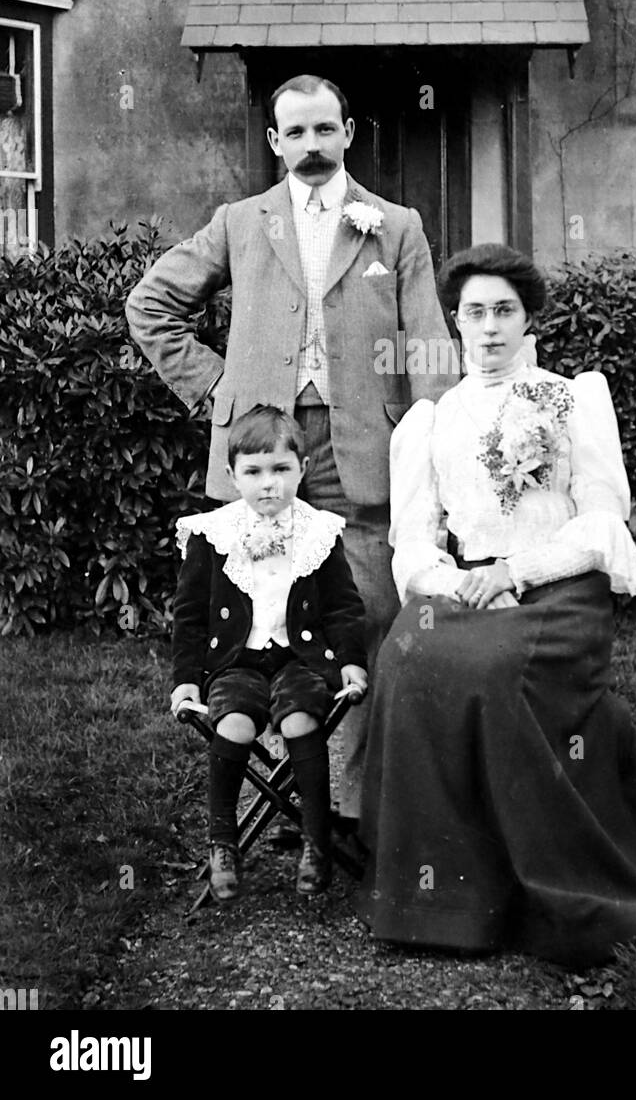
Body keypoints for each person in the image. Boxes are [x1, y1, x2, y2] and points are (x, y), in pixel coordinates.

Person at [356, 243, 636, 965]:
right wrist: (459, 582)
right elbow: (413, 545)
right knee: (403, 655)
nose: (489, 329)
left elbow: (603, 518)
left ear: (528, 319)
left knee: (494, 670)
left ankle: (540, 882)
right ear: (454, 321)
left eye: (504, 312)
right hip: (470, 588)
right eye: (475, 313)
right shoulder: (431, 419)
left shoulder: (570, 397)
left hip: (560, 587)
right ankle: (438, 899)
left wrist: (522, 566)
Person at [126, 75, 457, 823]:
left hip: (359, 450)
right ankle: (275, 801)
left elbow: (431, 346)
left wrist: (432, 442)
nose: (311, 146)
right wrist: (221, 392)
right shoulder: (241, 222)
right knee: (250, 616)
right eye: (295, 133)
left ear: (348, 133)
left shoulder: (395, 226)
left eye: (324, 130)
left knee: (364, 612)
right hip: (262, 451)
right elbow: (150, 305)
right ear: (275, 142)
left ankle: (350, 801)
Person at [170, 404, 368, 901]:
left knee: (302, 720)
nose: (269, 484)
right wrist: (187, 678)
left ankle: (316, 842)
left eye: (281, 469)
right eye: (254, 472)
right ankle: (223, 842)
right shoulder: (213, 534)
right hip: (236, 662)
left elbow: (344, 608)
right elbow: (190, 615)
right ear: (233, 476)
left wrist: (350, 660)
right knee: (234, 723)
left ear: (302, 470)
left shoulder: (319, 531)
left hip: (300, 659)